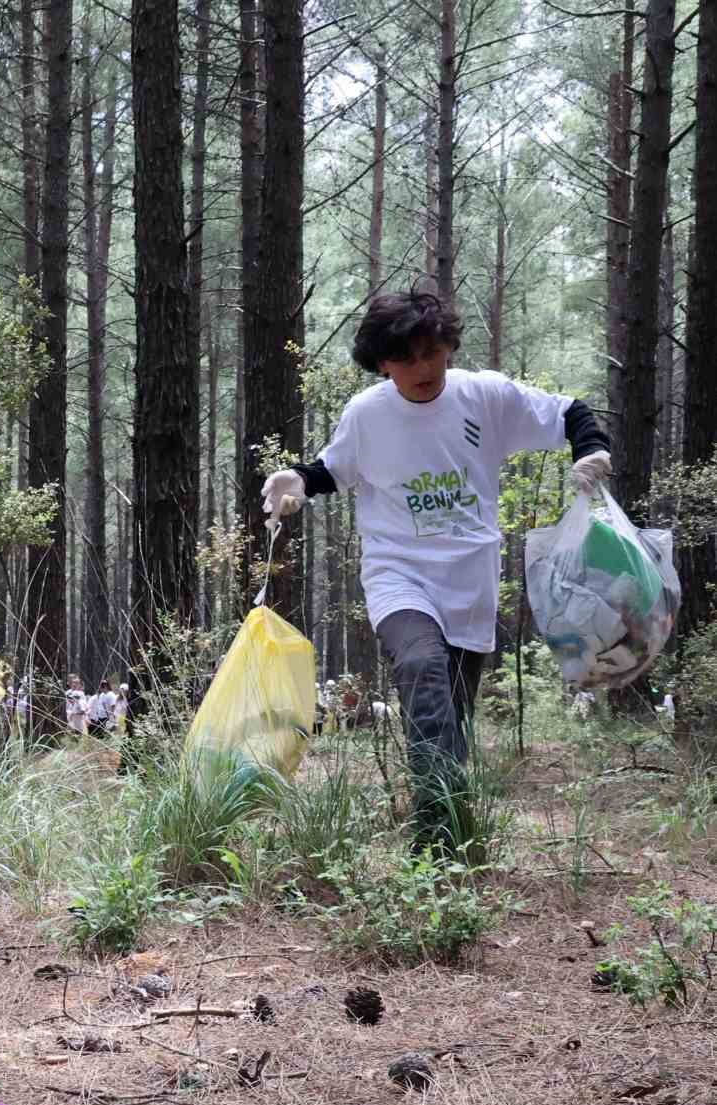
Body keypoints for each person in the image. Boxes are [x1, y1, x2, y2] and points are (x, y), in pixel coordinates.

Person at [262, 288, 611, 850]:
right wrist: (296, 481)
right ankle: (438, 838)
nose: (423, 369)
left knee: (450, 714)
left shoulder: (485, 396)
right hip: (398, 574)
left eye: (433, 352)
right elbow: (333, 469)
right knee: (423, 668)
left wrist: (590, 449)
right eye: (406, 358)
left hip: (470, 582)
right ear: (382, 364)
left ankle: (450, 823)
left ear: (449, 346)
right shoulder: (368, 414)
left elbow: (570, 412)